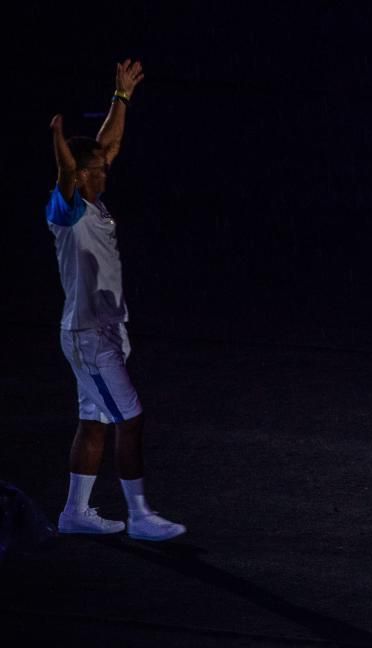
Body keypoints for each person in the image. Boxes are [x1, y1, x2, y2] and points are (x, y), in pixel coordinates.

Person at [46, 60, 185, 542]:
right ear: (80, 175)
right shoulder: (66, 210)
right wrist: (59, 139)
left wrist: (121, 97)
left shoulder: (94, 198)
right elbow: (67, 168)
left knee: (95, 422)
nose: (107, 171)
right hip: (89, 335)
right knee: (131, 419)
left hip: (100, 330)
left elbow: (109, 143)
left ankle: (74, 513)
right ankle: (141, 516)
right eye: (97, 170)